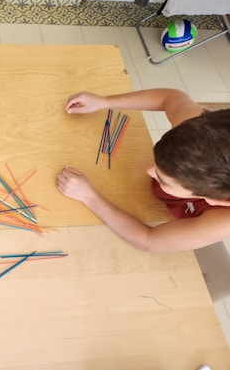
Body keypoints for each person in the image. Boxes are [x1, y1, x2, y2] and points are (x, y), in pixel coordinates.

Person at [57, 88, 230, 252]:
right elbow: (169, 97)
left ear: (217, 199)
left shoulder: (224, 220)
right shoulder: (198, 131)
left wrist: (88, 196)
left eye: (163, 179)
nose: (149, 171)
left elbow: (148, 240)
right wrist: (104, 102)